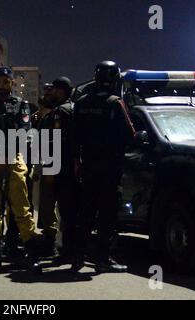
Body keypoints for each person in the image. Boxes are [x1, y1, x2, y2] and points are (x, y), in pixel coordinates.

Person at [0, 67, 41, 272]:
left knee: (21, 207)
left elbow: (25, 131)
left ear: (12, 83)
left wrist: (7, 155)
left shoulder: (22, 105)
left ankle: (32, 255)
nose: (2, 85)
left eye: (6, 81)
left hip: (13, 159)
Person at [73, 61, 135, 273]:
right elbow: (130, 134)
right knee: (107, 214)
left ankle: (77, 257)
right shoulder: (115, 102)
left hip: (88, 166)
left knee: (86, 213)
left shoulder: (80, 103)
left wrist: (78, 161)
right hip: (110, 168)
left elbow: (73, 136)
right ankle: (103, 259)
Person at [38, 77, 79, 261]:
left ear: (61, 91)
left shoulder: (60, 112)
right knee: (66, 209)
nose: (50, 93)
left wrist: (49, 169)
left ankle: (61, 248)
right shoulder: (72, 109)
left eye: (53, 89)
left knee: (59, 208)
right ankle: (68, 249)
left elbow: (53, 142)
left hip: (58, 167)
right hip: (69, 167)